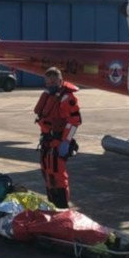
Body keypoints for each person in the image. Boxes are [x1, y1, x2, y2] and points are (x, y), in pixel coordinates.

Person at [33, 67, 82, 208]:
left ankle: (62, 208)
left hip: (58, 142)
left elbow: (74, 121)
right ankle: (53, 206)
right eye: (48, 83)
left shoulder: (67, 98)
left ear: (60, 81)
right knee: (47, 174)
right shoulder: (49, 95)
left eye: (54, 82)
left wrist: (66, 142)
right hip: (47, 141)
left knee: (57, 176)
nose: (51, 85)